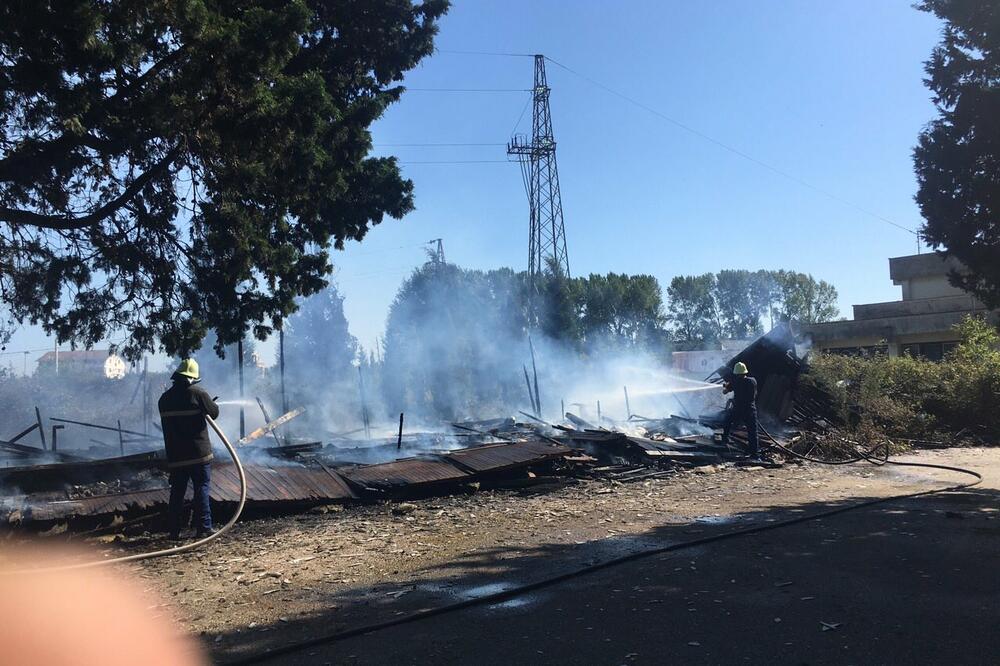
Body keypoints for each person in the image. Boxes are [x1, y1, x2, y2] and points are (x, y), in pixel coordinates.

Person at [158, 359, 219, 539]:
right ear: (192, 378)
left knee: (177, 492)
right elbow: (214, 413)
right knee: (201, 488)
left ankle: (174, 531)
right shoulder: (198, 393)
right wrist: (206, 405)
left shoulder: (164, 399)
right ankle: (204, 528)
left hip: (176, 456)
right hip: (199, 455)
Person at [720, 361, 760, 459]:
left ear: (736, 374)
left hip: (738, 409)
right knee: (752, 432)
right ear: (745, 372)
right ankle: (754, 454)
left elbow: (724, 392)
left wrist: (726, 386)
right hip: (750, 410)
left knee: (727, 421)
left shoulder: (735, 381)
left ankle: (725, 440)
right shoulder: (752, 381)